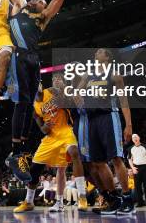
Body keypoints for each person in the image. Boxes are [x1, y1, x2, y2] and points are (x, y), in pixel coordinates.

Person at [1, 0, 64, 179]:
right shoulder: (19, 5)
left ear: (43, 7)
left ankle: (20, 153)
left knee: (29, 104)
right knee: (20, 104)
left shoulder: (43, 18)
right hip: (19, 56)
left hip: (34, 60)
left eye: (41, 0)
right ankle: (15, 151)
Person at [13, 75, 89, 213]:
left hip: (65, 130)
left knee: (74, 153)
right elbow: (42, 128)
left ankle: (82, 197)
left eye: (37, 83)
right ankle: (29, 202)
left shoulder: (53, 91)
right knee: (35, 169)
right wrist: (45, 127)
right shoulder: (35, 108)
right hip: (51, 137)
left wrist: (62, 87)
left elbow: (68, 101)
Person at [73, 48, 135, 215]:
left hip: (109, 116)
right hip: (92, 120)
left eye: (100, 52)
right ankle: (114, 200)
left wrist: (128, 125)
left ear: (107, 57)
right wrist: (77, 96)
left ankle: (128, 199)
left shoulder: (114, 75)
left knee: (116, 158)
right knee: (98, 162)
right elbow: (77, 92)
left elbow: (123, 100)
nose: (96, 53)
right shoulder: (88, 74)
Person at [128, 133, 146, 207]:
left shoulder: (145, 147)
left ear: (139, 138)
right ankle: (140, 202)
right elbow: (129, 159)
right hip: (136, 168)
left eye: (136, 137)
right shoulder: (131, 148)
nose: (134, 138)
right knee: (137, 186)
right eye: (133, 137)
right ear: (132, 140)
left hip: (145, 167)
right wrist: (133, 168)